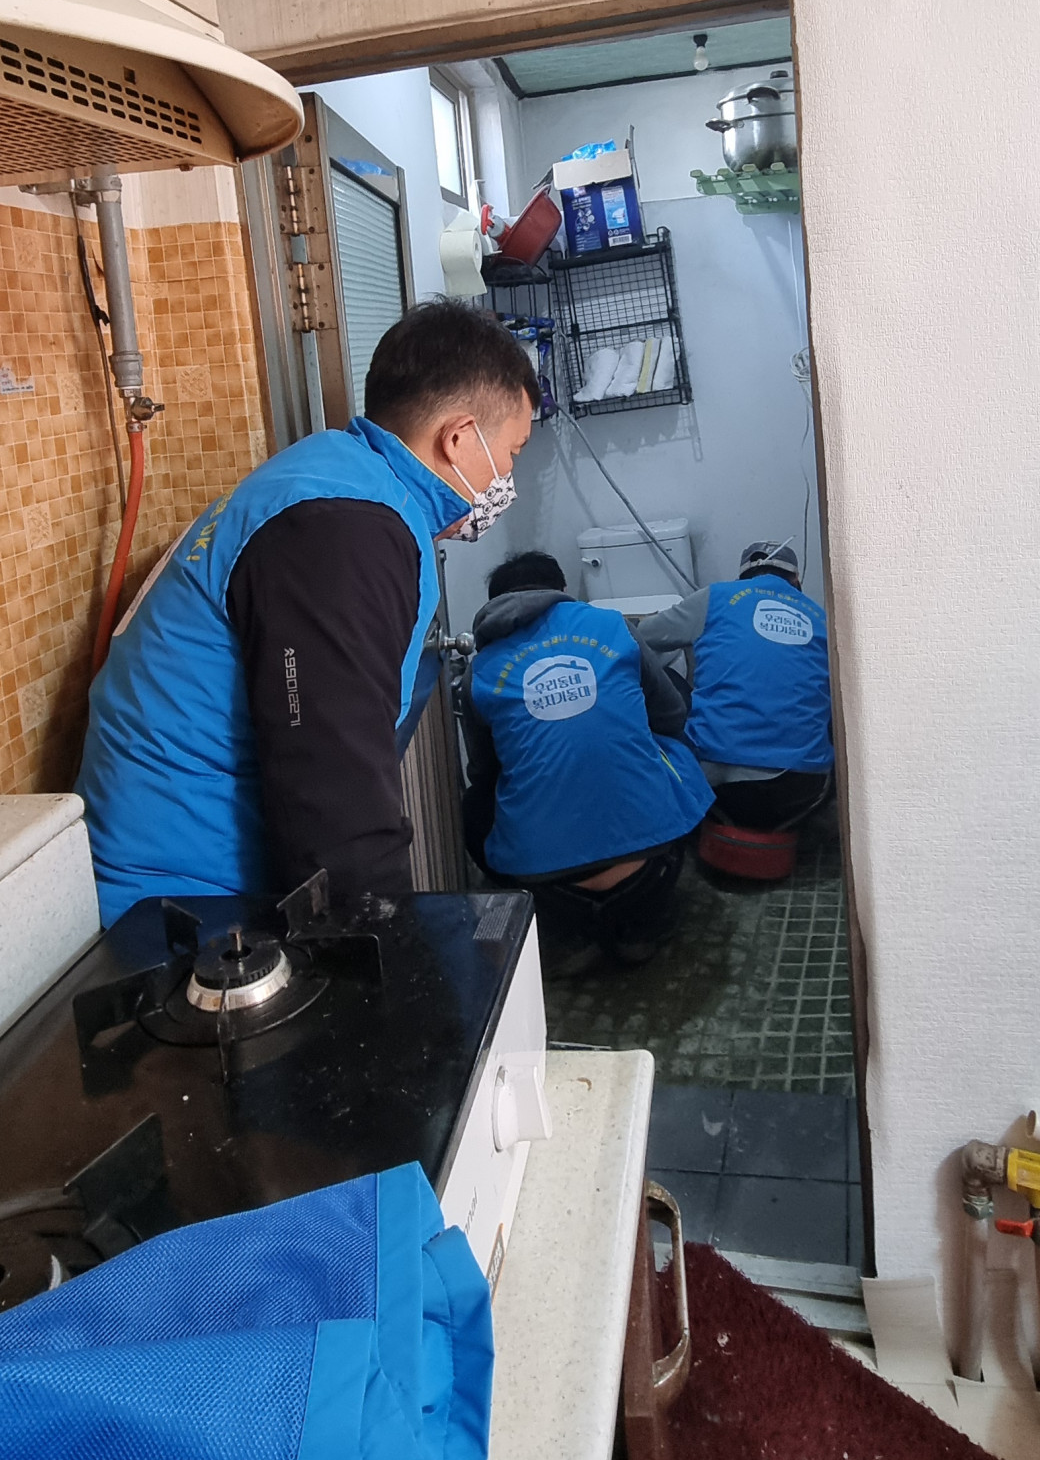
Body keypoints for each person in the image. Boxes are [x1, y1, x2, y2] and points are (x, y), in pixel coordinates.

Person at [78, 301, 539, 921]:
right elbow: (334, 797)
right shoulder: (343, 531)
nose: (508, 477)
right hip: (179, 905)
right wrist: (387, 948)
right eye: (513, 451)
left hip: (192, 877)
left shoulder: (337, 480)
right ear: (458, 439)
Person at [461, 548, 713, 967]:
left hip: (546, 881)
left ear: (495, 604)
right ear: (562, 589)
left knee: (476, 802)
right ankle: (642, 925)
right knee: (673, 744)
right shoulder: (613, 626)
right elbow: (672, 716)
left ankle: (563, 934)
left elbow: (482, 771)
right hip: (647, 870)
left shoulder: (481, 669)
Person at [637, 540, 833, 831]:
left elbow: (641, 635)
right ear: (796, 580)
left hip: (717, 781)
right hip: (802, 787)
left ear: (742, 578)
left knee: (667, 679)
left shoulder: (717, 596)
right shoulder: (823, 619)